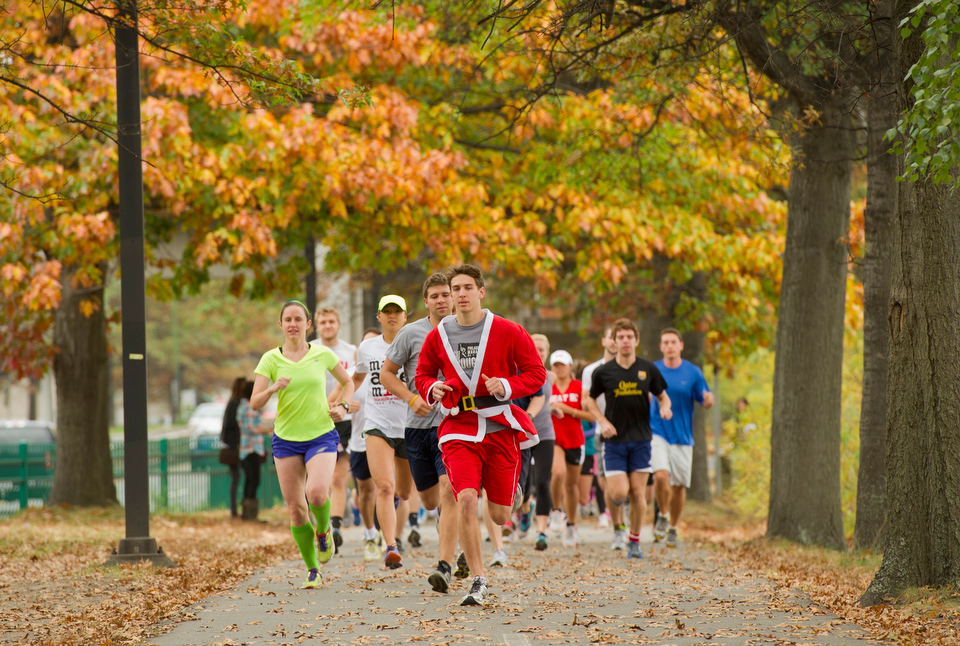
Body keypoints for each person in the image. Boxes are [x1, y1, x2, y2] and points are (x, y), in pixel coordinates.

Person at [415, 264, 545, 607]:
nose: (460, 294)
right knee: (466, 499)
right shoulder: (439, 335)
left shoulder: (508, 330)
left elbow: (536, 373)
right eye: (455, 288)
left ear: (481, 292)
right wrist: (433, 389)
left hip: (500, 425)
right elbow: (423, 374)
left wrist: (508, 385)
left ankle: (514, 491)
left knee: (500, 515)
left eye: (467, 287)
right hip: (459, 426)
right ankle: (478, 579)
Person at [251, 300, 355, 589]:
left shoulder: (322, 354)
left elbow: (348, 383)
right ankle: (313, 569)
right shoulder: (270, 359)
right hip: (286, 439)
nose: (293, 324)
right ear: (281, 324)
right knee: (296, 508)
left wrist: (343, 407)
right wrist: (272, 388)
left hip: (321, 434)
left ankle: (324, 530)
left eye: (299, 319)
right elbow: (255, 403)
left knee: (318, 493)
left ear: (308, 325)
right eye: (288, 319)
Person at [379, 273, 464, 592]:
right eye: (436, 296)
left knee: (450, 491)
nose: (442, 300)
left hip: (454, 426)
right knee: (429, 501)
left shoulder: (466, 329)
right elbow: (387, 374)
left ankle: (446, 563)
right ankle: (456, 537)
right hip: (416, 428)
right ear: (426, 302)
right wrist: (412, 398)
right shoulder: (411, 333)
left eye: (447, 294)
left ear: (454, 298)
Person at [583, 317, 671, 560]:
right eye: (620, 337)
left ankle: (634, 541)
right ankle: (618, 528)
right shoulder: (604, 372)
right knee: (618, 493)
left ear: (636, 341)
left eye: (629, 337)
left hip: (641, 439)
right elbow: (590, 399)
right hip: (613, 441)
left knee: (638, 493)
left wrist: (665, 408)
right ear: (614, 341)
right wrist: (602, 421)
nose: (624, 341)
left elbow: (663, 396)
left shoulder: (647, 369)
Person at [353, 295, 411, 570]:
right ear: (378, 316)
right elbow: (356, 378)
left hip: (411, 425)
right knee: (384, 486)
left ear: (405, 316)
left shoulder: (415, 342)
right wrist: (336, 400)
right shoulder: (367, 347)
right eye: (386, 312)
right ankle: (391, 547)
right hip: (377, 424)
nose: (391, 316)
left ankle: (398, 504)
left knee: (406, 491)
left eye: (396, 312)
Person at [650, 327, 714, 547]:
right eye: (665, 342)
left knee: (678, 487)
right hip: (658, 432)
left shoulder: (693, 372)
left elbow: (704, 399)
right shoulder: (654, 370)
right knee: (660, 477)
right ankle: (663, 515)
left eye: (673, 342)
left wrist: (708, 400)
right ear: (661, 346)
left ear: (680, 345)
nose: (669, 346)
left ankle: (674, 527)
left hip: (683, 436)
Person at [310, 307, 357, 552]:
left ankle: (335, 528)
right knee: (319, 483)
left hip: (344, 421)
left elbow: (356, 382)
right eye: (323, 322)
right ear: (316, 325)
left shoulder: (351, 351)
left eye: (331, 321)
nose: (327, 325)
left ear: (338, 324)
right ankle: (322, 526)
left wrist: (349, 404)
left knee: (339, 478)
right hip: (316, 421)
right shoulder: (309, 350)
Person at [580, 325, 623, 546]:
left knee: (624, 480)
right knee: (605, 478)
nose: (615, 341)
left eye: (619, 337)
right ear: (604, 341)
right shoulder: (592, 370)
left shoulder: (633, 368)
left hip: (627, 431)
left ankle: (618, 516)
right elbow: (586, 400)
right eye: (611, 337)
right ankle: (610, 513)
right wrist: (602, 419)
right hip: (601, 430)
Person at [548, 349, 594, 548]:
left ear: (570, 367)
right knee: (558, 474)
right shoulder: (549, 387)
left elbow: (592, 417)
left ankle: (571, 525)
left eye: (562, 365)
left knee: (571, 486)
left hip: (575, 440)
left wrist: (569, 411)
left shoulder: (579, 387)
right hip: (555, 438)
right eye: (555, 365)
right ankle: (556, 511)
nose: (559, 369)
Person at [346, 328, 383, 561]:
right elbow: (336, 402)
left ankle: (390, 539)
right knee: (367, 491)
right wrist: (344, 405)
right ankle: (370, 533)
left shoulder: (391, 371)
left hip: (387, 438)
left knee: (390, 488)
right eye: (364, 345)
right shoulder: (352, 376)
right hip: (360, 441)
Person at [527, 334, 557, 551]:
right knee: (523, 484)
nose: (539, 352)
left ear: (547, 351)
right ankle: (524, 510)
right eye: (535, 348)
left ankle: (541, 532)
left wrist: (552, 408)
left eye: (542, 349)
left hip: (546, 433)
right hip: (523, 434)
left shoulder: (550, 376)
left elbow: (546, 400)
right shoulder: (521, 372)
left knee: (543, 482)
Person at [236, 380, 273, 521]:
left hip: (248, 448)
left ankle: (248, 514)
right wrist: (269, 429)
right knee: (253, 480)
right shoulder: (249, 407)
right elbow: (252, 428)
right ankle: (250, 515)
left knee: (250, 480)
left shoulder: (242, 406)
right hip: (251, 448)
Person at [221, 376, 246, 519]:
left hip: (234, 445)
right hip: (233, 446)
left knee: (236, 477)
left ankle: (235, 508)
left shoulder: (234, 402)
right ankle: (233, 509)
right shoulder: (234, 403)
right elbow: (231, 424)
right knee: (235, 477)